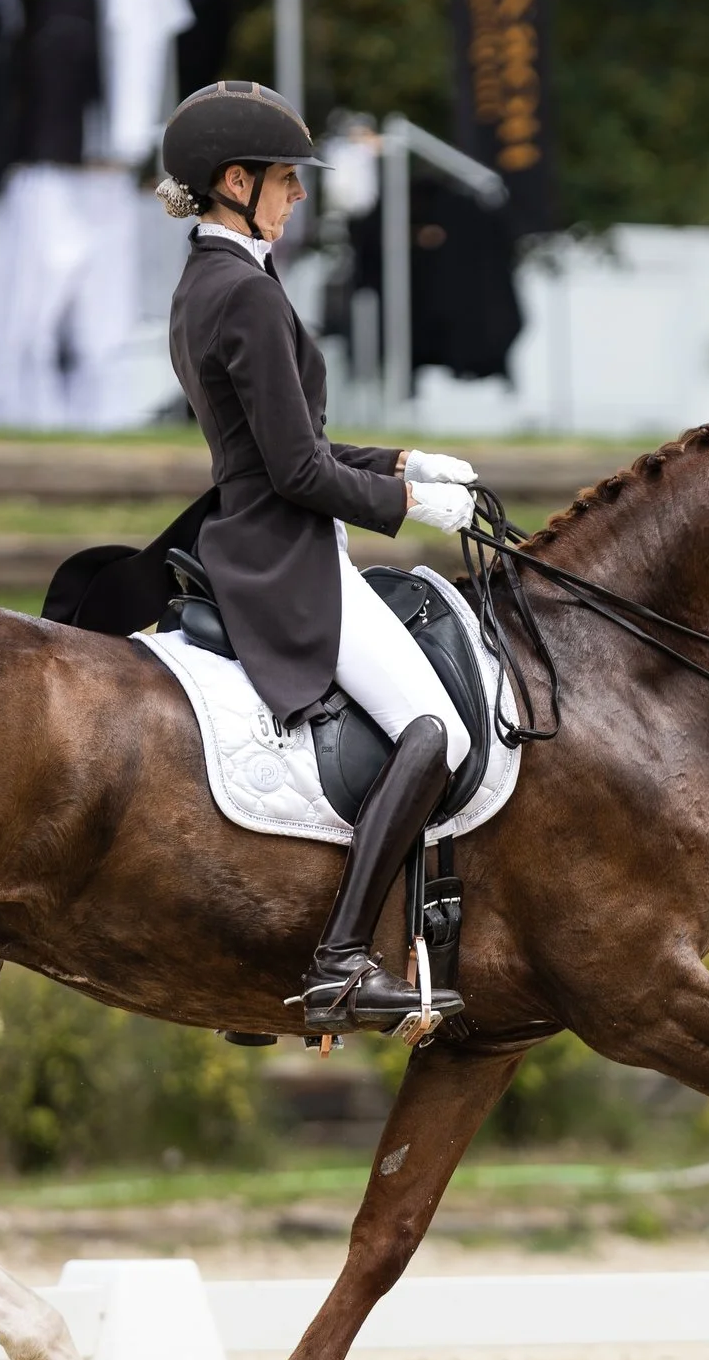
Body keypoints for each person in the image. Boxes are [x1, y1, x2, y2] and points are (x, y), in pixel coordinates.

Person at [155, 81, 477, 1035]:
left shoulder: (209, 281)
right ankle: (340, 959)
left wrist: (400, 458)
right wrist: (408, 503)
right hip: (286, 555)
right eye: (287, 181)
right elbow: (294, 470)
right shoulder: (245, 293)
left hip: (262, 531)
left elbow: (282, 444)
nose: (299, 197)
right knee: (434, 730)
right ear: (237, 180)